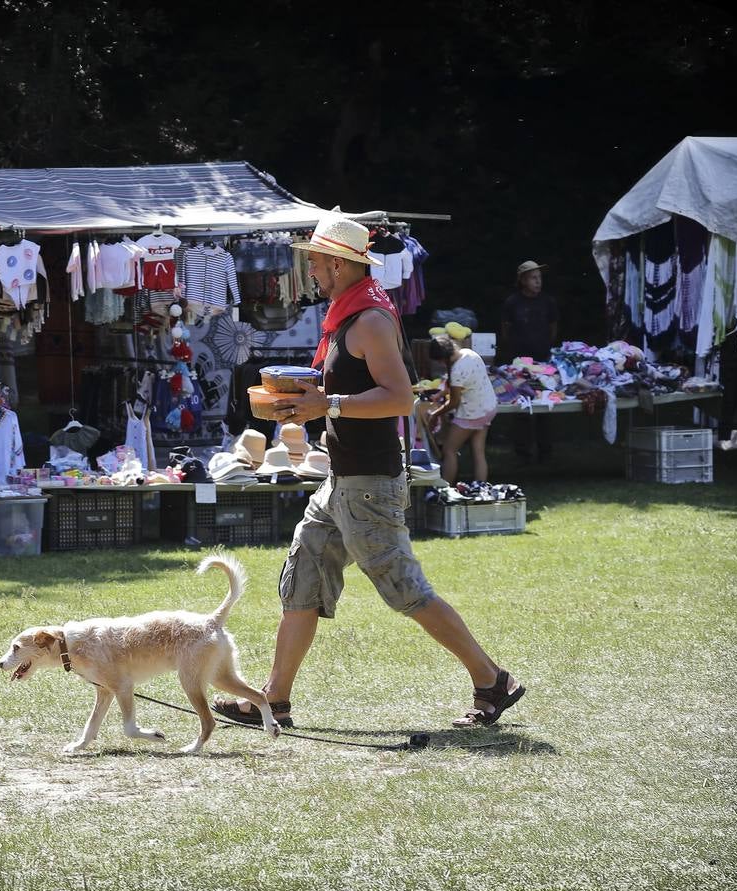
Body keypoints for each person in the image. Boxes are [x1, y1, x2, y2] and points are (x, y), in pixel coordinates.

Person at [211, 216, 525, 730]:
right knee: (303, 580)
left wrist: (328, 404)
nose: (310, 271)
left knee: (405, 588)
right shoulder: (346, 314)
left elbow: (399, 399)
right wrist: (304, 406)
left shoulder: (371, 319)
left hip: (370, 485)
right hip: (342, 479)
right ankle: (273, 700)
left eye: (314, 261)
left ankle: (492, 679)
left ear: (338, 262)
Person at [502, 260, 559, 461]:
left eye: (540, 278)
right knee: (521, 407)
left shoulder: (548, 302)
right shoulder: (512, 303)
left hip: (543, 363)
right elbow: (506, 329)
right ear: (523, 280)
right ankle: (522, 453)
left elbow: (553, 327)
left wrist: (543, 348)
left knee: (545, 406)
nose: (538, 281)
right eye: (534, 278)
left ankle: (546, 452)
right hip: (518, 364)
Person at [424, 334, 498, 483]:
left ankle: (444, 490)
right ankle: (481, 490)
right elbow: (465, 383)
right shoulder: (469, 353)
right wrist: (441, 394)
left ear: (441, 358)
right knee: (478, 452)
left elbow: (454, 403)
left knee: (449, 450)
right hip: (488, 408)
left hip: (472, 414)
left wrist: (435, 414)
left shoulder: (457, 370)